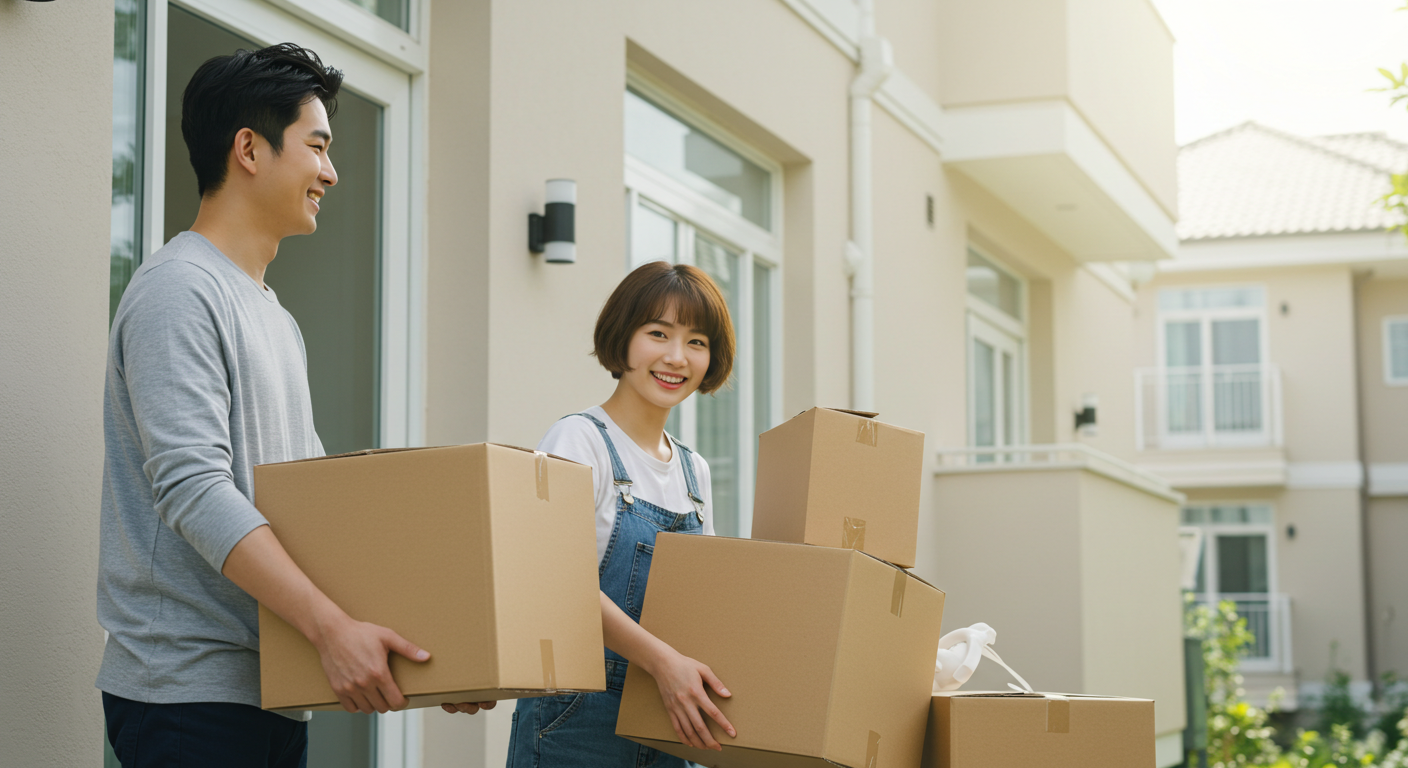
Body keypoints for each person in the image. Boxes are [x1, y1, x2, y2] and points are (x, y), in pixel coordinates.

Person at [97, 43, 490, 768]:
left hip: (273, 688)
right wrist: (330, 629)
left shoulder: (274, 316)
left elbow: (310, 513)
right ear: (248, 148)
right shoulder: (178, 290)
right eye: (317, 146)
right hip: (188, 698)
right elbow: (193, 486)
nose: (331, 173)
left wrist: (437, 647)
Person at [444, 260, 739, 766]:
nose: (675, 357)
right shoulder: (580, 440)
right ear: (623, 338)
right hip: (577, 721)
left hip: (671, 721)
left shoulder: (695, 472)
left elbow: (701, 606)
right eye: (658, 333)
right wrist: (663, 662)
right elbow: (555, 581)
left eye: (696, 342)